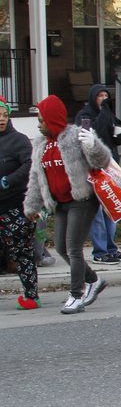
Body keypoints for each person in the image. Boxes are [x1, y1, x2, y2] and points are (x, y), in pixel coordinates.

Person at [23, 95, 109, 314]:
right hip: (59, 203)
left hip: (81, 200)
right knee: (60, 247)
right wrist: (32, 207)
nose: (39, 124)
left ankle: (76, 296)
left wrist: (93, 145)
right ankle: (94, 281)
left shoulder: (74, 136)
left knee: (73, 248)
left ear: (51, 119)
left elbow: (102, 162)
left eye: (41, 120)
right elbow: (35, 178)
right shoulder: (40, 144)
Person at [74, 83, 121, 265]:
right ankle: (100, 251)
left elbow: (116, 140)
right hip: (94, 170)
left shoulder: (109, 114)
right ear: (93, 97)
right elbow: (90, 135)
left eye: (106, 95)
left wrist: (119, 134)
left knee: (112, 209)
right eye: (100, 95)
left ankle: (111, 249)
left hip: (111, 167)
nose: (104, 99)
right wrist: (105, 114)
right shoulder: (85, 116)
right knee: (97, 211)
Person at [0, 96, 39, 309]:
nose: (2, 119)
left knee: (22, 252)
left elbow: (29, 166)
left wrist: (7, 181)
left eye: (5, 115)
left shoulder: (19, 140)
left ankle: (31, 296)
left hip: (15, 208)